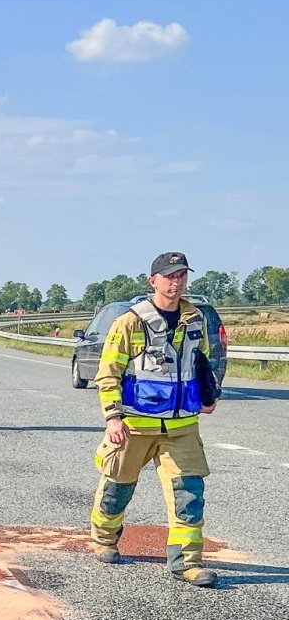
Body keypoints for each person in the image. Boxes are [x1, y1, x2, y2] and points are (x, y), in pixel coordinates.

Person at [90, 251, 221, 588]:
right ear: (153, 281)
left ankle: (187, 563)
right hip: (135, 424)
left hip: (181, 427)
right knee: (116, 490)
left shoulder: (195, 318)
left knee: (189, 492)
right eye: (169, 276)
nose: (176, 282)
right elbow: (108, 373)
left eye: (181, 276)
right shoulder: (131, 321)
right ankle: (104, 537)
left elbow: (200, 360)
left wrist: (209, 393)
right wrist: (113, 417)